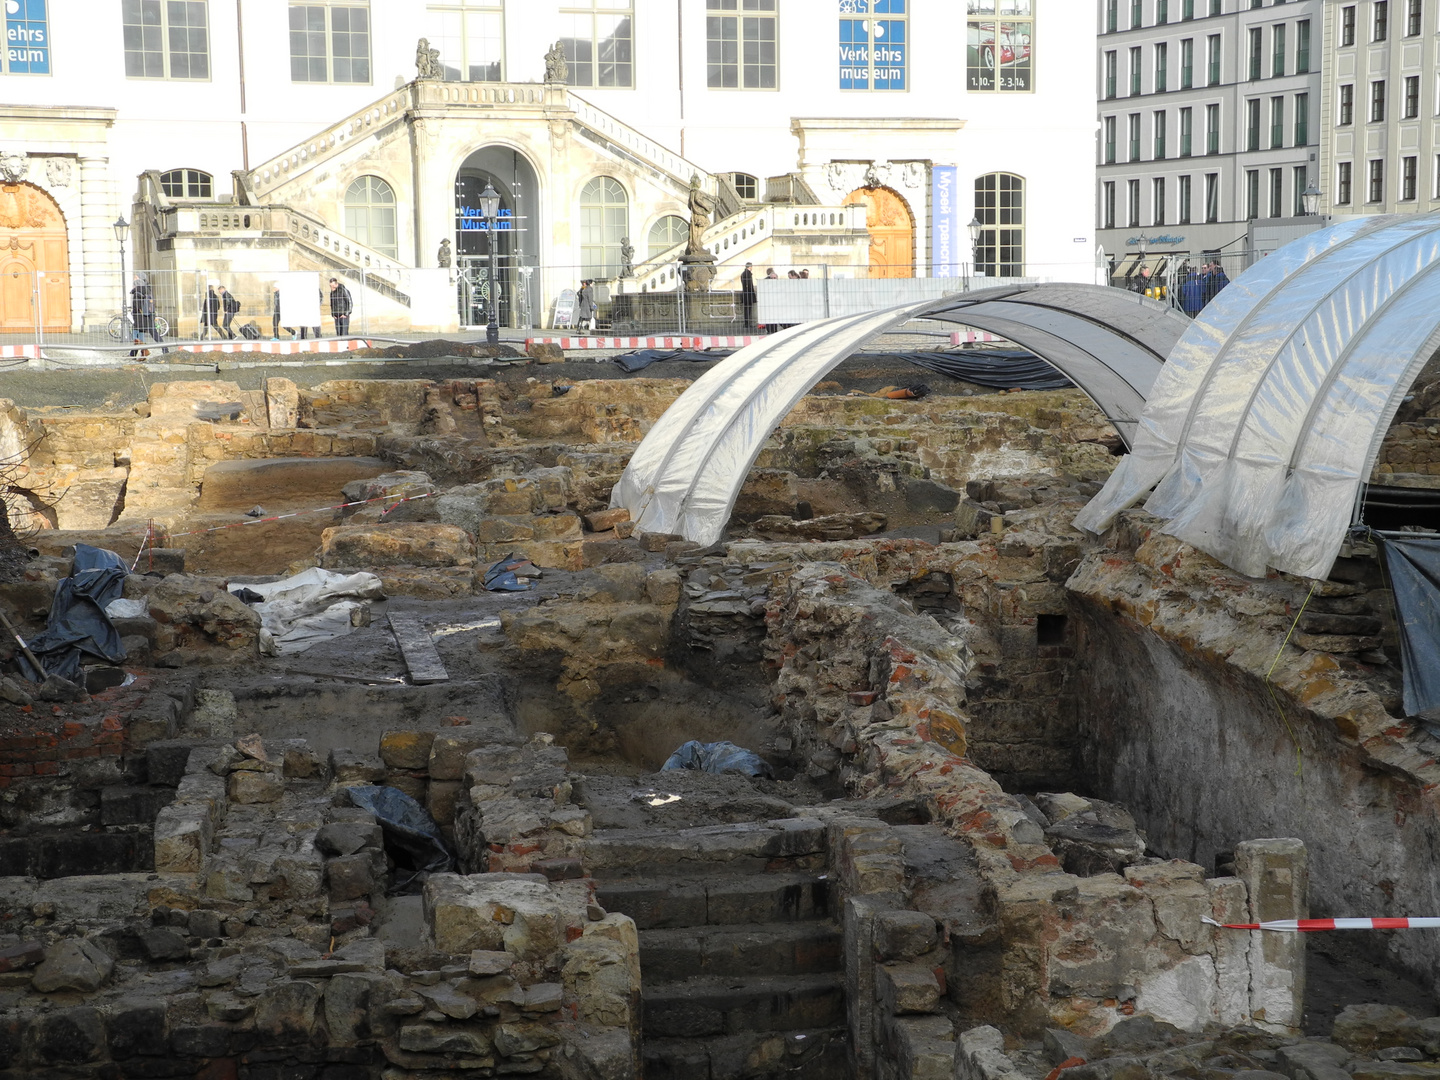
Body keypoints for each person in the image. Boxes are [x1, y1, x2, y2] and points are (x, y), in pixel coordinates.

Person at [129, 272, 166, 356]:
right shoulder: (147, 289)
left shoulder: (138, 291)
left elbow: (137, 306)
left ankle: (164, 349)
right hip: (148, 316)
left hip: (141, 318)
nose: (134, 279)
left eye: (136, 277)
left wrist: (134, 312)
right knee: (140, 335)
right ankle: (135, 353)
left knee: (137, 334)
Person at [739, 261, 757, 333]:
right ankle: (747, 323)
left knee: (747, 309)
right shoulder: (748, 274)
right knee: (748, 310)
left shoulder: (743, 273)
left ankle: (747, 323)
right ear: (750, 267)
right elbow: (749, 285)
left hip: (745, 294)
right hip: (748, 295)